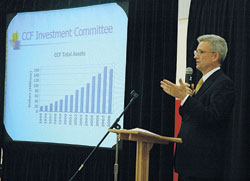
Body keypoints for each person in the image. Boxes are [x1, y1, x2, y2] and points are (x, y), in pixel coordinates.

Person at [160, 34, 235, 181]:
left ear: (215, 56)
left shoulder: (223, 83)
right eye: (196, 52)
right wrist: (187, 98)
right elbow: (190, 117)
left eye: (201, 52)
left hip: (204, 165)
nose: (195, 56)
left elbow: (212, 116)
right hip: (188, 161)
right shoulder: (201, 82)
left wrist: (186, 98)